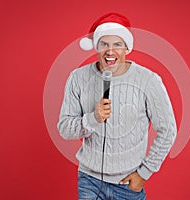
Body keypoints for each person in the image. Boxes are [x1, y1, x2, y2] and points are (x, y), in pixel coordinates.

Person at [57, 13, 177, 200]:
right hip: (89, 180)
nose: (110, 51)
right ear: (96, 46)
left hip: (127, 184)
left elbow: (168, 130)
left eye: (117, 44)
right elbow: (65, 129)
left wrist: (144, 174)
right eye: (104, 44)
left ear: (127, 48)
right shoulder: (78, 78)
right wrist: (93, 119)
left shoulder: (148, 80)